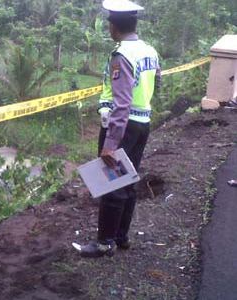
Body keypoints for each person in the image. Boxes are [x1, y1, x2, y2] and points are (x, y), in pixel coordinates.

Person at [78, 0, 161, 258]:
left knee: (112, 182)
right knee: (128, 179)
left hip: (123, 126)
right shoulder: (150, 50)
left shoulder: (121, 55)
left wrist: (111, 143)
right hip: (142, 123)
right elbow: (157, 81)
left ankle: (104, 243)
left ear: (113, 26)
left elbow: (122, 104)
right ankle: (121, 236)